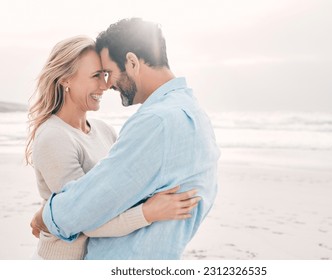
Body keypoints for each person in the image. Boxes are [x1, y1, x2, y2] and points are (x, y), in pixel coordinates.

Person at [31, 18, 220, 260]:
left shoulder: (155, 122)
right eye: (97, 75)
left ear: (131, 62)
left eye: (107, 73)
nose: (106, 85)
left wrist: (46, 215)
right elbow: (98, 206)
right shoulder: (192, 113)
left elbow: (83, 209)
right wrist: (147, 212)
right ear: (66, 79)